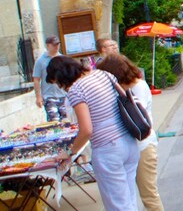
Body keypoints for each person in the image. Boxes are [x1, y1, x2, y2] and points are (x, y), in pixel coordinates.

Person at [46, 55, 140, 210]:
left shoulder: (77, 89)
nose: (60, 87)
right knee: (129, 201)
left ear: (61, 76)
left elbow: (86, 129)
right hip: (128, 141)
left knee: (119, 206)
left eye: (57, 83)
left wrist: (70, 152)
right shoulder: (104, 74)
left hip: (108, 149)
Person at [96, 54, 164, 211]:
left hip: (143, 146)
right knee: (133, 197)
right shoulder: (129, 87)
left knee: (149, 195)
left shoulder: (136, 87)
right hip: (137, 146)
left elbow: (134, 119)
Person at [33, 36, 67, 121]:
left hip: (63, 94)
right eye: (54, 45)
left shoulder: (62, 59)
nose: (57, 47)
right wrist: (38, 97)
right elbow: (36, 79)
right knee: (54, 119)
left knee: (66, 120)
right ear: (48, 46)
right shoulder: (40, 61)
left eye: (58, 44)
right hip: (49, 95)